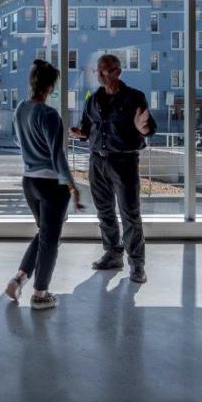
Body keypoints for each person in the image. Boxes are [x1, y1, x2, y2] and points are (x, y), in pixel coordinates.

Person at [70, 53, 156, 284]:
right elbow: (88, 128)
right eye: (97, 71)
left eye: (104, 71)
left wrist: (142, 127)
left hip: (124, 163)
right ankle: (113, 254)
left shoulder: (134, 98)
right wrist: (80, 133)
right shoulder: (93, 99)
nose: (99, 75)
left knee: (130, 215)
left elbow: (150, 128)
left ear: (117, 72)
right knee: (104, 212)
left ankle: (137, 265)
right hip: (97, 162)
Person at [5, 60, 84, 310]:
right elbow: (58, 156)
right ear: (51, 86)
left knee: (44, 234)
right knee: (51, 239)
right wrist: (72, 187)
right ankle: (40, 294)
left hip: (29, 181)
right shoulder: (49, 115)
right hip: (51, 185)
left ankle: (19, 279)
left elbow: (18, 142)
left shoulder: (20, 109)